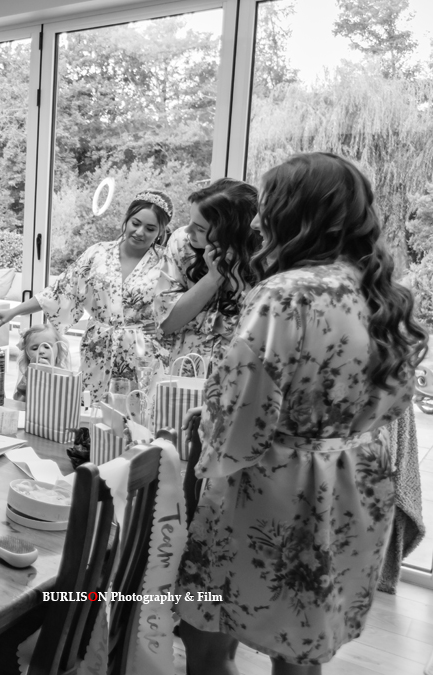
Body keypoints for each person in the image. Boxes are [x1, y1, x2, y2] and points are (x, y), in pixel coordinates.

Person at [176, 153, 427, 675]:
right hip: (353, 487)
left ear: (294, 214)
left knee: (209, 632)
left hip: (276, 489)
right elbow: (395, 403)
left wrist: (205, 434)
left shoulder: (286, 295)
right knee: (301, 647)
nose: (257, 220)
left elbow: (241, 414)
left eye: (267, 206)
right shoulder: (383, 293)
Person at [0, 190, 173, 401]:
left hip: (143, 353)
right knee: (91, 409)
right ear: (127, 219)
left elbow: (179, 304)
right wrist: (13, 312)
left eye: (150, 228)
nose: (140, 232)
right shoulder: (98, 253)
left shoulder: (166, 263)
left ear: (161, 231)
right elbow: (58, 291)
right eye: (136, 223)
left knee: (137, 411)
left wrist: (163, 326)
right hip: (98, 350)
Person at [155, 179, 262, 372]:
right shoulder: (181, 243)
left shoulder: (265, 255)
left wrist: (236, 276)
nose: (188, 230)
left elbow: (262, 330)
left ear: (232, 234)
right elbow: (166, 323)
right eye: (191, 220)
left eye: (200, 228)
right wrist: (213, 278)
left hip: (239, 372)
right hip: (183, 369)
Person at [13, 322, 71, 402]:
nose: (41, 351)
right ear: (27, 353)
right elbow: (18, 399)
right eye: (35, 348)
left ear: (58, 350)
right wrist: (30, 375)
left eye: (47, 347)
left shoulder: (62, 375)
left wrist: (50, 375)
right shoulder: (28, 373)